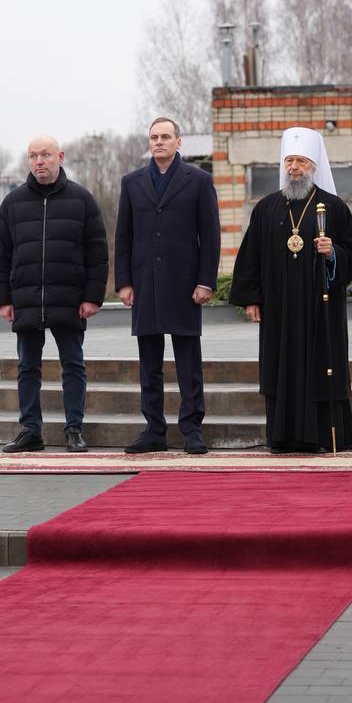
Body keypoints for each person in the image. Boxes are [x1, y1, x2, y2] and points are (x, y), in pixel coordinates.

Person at [229, 127, 352, 453]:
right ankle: (282, 437)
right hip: (278, 309)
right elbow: (250, 257)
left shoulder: (333, 207)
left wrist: (333, 252)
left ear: (314, 165)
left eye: (301, 161)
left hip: (320, 307)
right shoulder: (266, 209)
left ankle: (321, 436)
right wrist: (250, 298)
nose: (294, 168)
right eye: (289, 160)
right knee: (280, 367)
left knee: (321, 365)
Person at [0, 134, 108, 453]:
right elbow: (0, 254)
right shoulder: (13, 203)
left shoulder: (82, 200)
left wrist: (92, 297)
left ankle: (74, 429)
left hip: (70, 298)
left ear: (60, 156)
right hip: (26, 298)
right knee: (27, 366)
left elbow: (97, 253)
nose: (38, 161)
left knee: (73, 364)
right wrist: (3, 298)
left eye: (44, 154)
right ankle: (31, 430)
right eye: (32, 156)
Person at [114, 117, 221, 455]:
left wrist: (206, 281)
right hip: (145, 283)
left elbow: (211, 235)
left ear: (179, 141)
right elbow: (123, 236)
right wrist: (124, 283)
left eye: (165, 137)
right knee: (149, 363)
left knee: (188, 361)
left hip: (185, 283)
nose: (159, 142)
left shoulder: (199, 180)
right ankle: (154, 429)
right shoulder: (132, 182)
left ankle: (192, 428)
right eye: (153, 137)